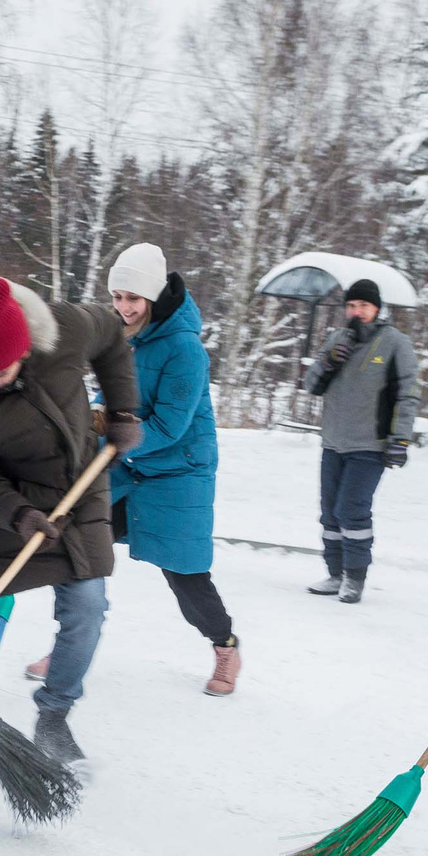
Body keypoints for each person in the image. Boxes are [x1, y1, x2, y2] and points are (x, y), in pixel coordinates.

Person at [0, 274, 140, 766]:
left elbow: (112, 336)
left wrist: (123, 410)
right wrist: (16, 513)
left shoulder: (63, 329)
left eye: (0, 372)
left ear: (28, 347)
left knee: (86, 606)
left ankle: (55, 716)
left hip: (77, 491)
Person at [104, 244, 242, 696]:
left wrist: (113, 438)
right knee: (79, 543)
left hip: (179, 469)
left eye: (133, 299)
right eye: (117, 296)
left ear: (154, 297)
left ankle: (225, 646)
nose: (124, 308)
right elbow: (108, 397)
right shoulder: (119, 336)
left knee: (185, 574)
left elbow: (169, 425)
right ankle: (73, 642)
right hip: (130, 461)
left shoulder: (186, 349)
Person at [300, 277, 419, 604]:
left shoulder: (396, 343)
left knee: (351, 511)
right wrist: (327, 361)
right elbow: (311, 385)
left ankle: (355, 577)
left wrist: (401, 439)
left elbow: (408, 395)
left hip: (370, 445)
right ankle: (335, 573)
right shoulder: (338, 339)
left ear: (377, 308)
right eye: (351, 306)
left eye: (363, 306)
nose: (357, 311)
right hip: (334, 442)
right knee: (329, 513)